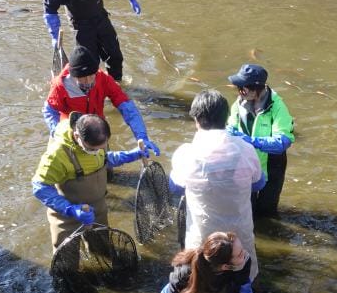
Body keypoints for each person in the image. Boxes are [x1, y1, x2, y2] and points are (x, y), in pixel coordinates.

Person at [170, 90, 265, 281]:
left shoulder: (186, 153)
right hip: (239, 237)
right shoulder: (245, 149)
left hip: (203, 237)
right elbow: (258, 183)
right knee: (242, 278)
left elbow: (175, 187)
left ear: (197, 120)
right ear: (226, 118)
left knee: (201, 277)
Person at [31, 112, 148, 250]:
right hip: (67, 216)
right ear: (77, 136)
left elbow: (104, 159)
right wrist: (70, 209)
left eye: (101, 147)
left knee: (102, 247)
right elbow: (40, 186)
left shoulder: (97, 140)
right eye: (92, 149)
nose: (97, 151)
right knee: (68, 253)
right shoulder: (56, 155)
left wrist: (131, 155)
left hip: (98, 209)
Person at [43, 0, 140, 83]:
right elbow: (50, 10)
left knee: (115, 56)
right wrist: (54, 36)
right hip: (80, 24)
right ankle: (91, 89)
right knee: (90, 63)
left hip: (100, 17)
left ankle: (116, 84)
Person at [43, 47, 159, 158]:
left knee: (106, 163)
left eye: (91, 76)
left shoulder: (103, 79)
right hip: (71, 130)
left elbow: (127, 107)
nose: (88, 81)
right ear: (74, 76)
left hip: (96, 130)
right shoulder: (60, 86)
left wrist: (142, 137)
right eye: (82, 78)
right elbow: (49, 111)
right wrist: (57, 132)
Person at [225, 63, 295, 217]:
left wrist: (252, 141)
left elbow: (283, 141)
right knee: (246, 208)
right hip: (247, 164)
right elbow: (231, 128)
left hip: (272, 165)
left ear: (256, 88)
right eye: (238, 87)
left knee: (266, 211)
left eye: (243, 88)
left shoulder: (277, 106)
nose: (239, 91)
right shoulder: (239, 103)